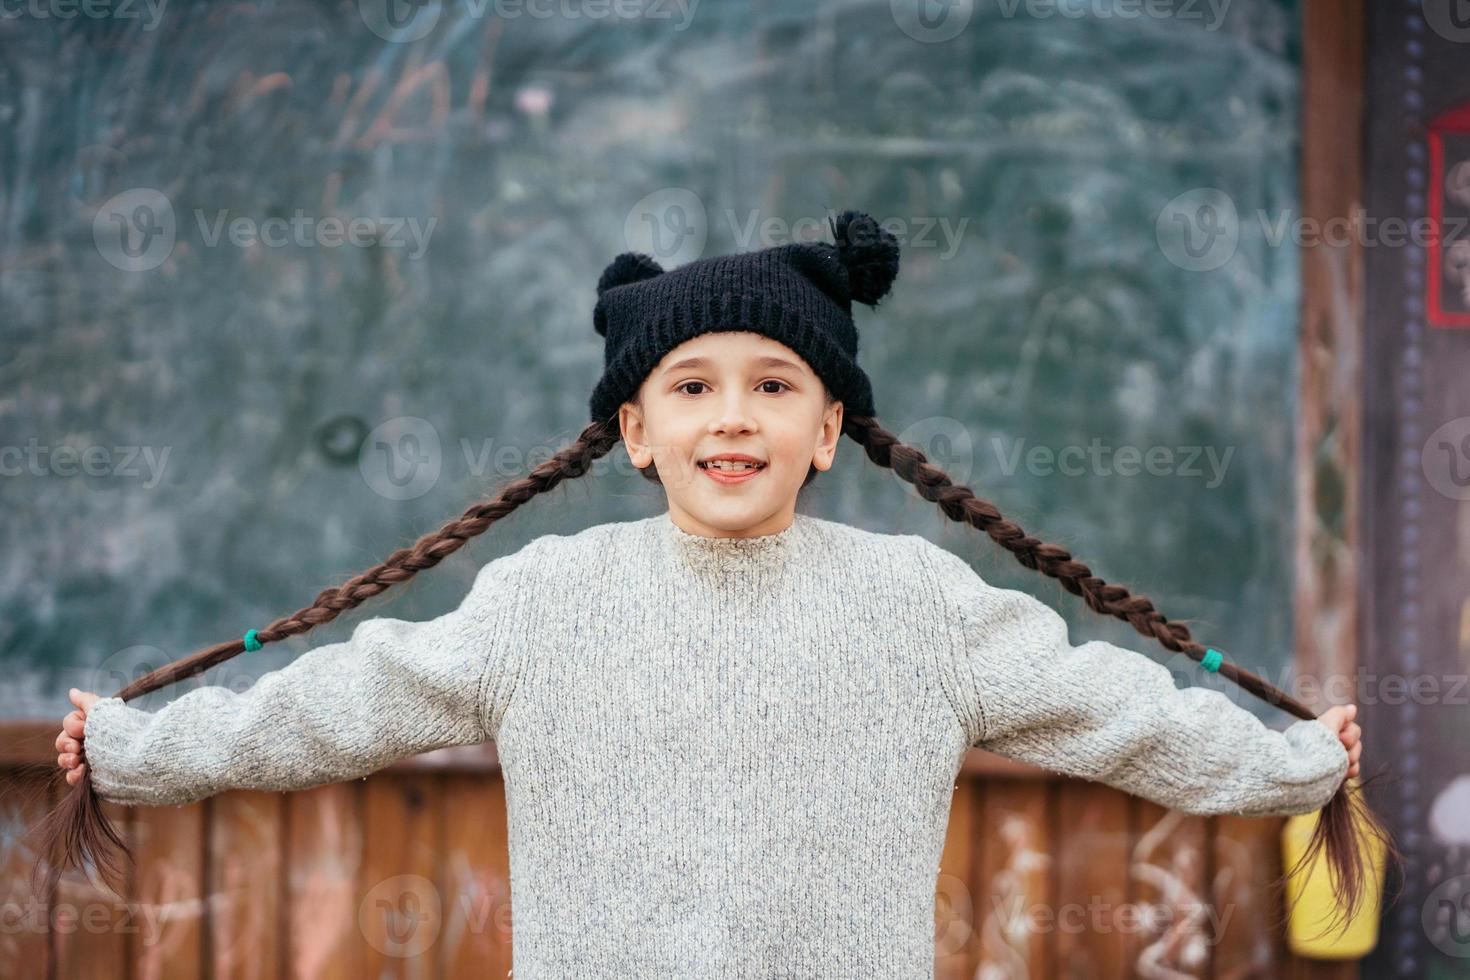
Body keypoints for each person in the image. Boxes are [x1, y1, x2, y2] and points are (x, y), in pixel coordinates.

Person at [41, 209, 1385, 976]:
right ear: (632, 431)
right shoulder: (543, 602)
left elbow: (1122, 713)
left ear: (828, 428)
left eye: (773, 384)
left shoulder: (919, 604)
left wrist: (1290, 768)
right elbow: (333, 704)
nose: (729, 419)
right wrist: (134, 749)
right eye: (690, 387)